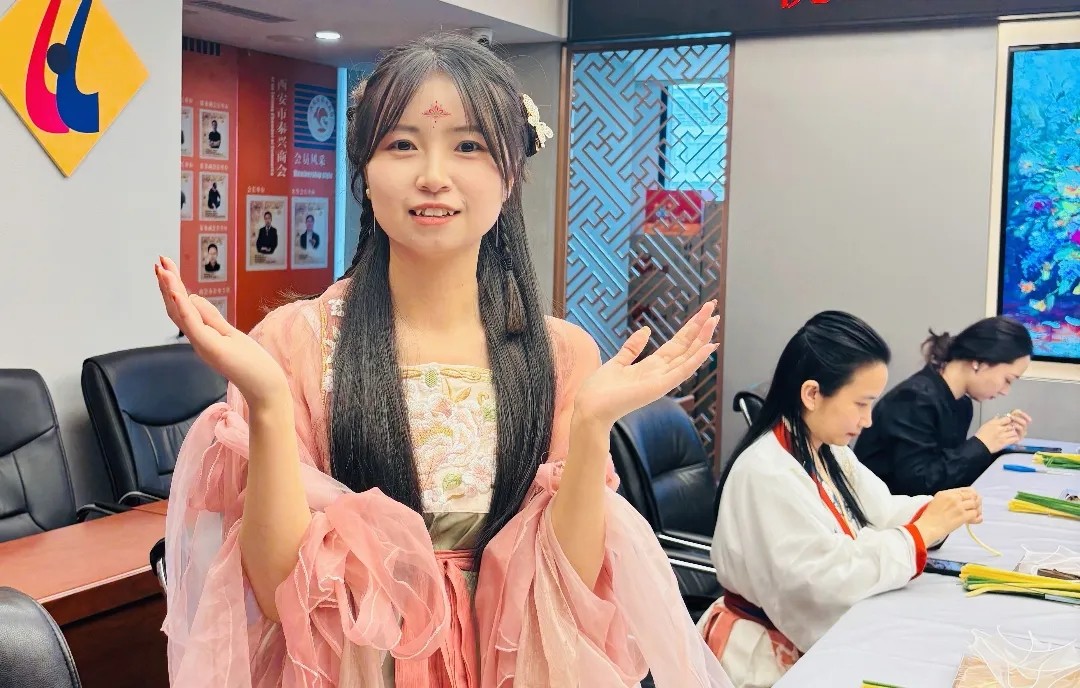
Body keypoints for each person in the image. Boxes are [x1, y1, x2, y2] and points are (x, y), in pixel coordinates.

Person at [155, 34, 733, 688]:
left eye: (468, 146)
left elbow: (568, 594)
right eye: (403, 145)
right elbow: (275, 589)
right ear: (365, 172)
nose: (433, 175)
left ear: (509, 175)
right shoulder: (295, 341)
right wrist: (265, 402)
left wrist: (593, 423)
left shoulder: (560, 354)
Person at [699, 311, 983, 687]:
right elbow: (821, 581)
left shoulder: (827, 448)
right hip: (761, 657)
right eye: (861, 404)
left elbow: (880, 511)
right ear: (812, 394)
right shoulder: (767, 471)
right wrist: (920, 534)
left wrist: (936, 511)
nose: (868, 420)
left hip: (791, 637)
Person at [855, 316, 1033, 496]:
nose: (1005, 391)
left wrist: (998, 442)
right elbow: (918, 484)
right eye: (1007, 380)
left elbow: (950, 473)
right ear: (979, 362)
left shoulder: (962, 403)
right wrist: (981, 444)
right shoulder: (914, 399)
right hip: (884, 507)